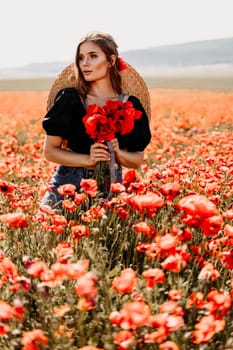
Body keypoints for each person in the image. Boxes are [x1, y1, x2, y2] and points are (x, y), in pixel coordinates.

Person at [41, 32, 151, 209]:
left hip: (111, 185)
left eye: (93, 56)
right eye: (81, 57)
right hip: (68, 186)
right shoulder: (70, 100)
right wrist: (88, 159)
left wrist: (118, 153)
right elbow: (50, 152)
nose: (85, 62)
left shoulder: (130, 105)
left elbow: (137, 159)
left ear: (111, 60)